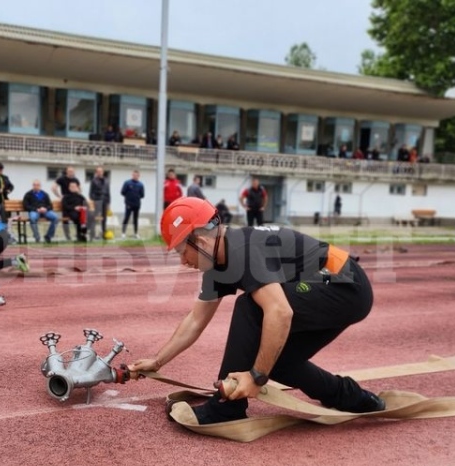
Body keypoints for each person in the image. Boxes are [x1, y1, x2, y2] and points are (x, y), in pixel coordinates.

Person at [127, 197, 385, 425]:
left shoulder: (242, 250)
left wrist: (256, 377)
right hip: (334, 285)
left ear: (202, 241)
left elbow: (280, 312)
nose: (183, 261)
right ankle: (355, 398)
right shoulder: (217, 260)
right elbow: (195, 320)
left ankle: (226, 409)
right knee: (280, 361)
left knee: (250, 306)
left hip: (345, 284)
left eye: (183, 252)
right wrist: (158, 361)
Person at [52, 166, 81, 241]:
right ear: (67, 171)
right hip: (66, 201)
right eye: (70, 171)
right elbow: (53, 188)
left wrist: (77, 195)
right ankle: (67, 236)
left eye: (72, 171)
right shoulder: (61, 178)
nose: (71, 172)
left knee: (77, 216)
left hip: (74, 200)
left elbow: (80, 190)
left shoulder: (76, 179)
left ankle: (78, 234)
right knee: (65, 219)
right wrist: (59, 196)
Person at [120, 170, 144, 239]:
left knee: (135, 219)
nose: (135, 176)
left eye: (137, 175)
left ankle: (136, 233)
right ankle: (123, 233)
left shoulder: (140, 185)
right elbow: (122, 192)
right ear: (132, 175)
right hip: (128, 204)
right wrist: (128, 198)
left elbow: (142, 195)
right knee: (126, 218)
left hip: (137, 204)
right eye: (134, 175)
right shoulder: (127, 183)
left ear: (138, 176)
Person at [88, 166, 110, 241]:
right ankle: (94, 234)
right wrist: (93, 201)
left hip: (105, 201)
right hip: (97, 201)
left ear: (103, 172)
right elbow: (90, 193)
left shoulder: (107, 180)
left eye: (101, 171)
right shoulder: (93, 181)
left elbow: (108, 192)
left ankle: (103, 233)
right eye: (98, 171)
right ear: (96, 172)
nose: (100, 172)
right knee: (96, 219)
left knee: (104, 218)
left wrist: (108, 203)